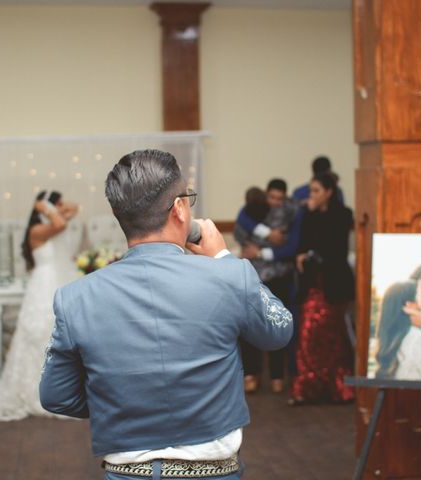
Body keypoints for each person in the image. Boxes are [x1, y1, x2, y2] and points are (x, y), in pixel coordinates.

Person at [39, 149, 293, 480]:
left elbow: (56, 396)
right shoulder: (228, 276)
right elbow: (279, 330)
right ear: (179, 209)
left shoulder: (75, 298)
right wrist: (225, 259)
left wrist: (118, 402)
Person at [0, 190, 79, 421]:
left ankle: (62, 388)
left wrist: (53, 206)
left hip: (60, 283)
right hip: (43, 286)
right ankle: (36, 390)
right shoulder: (37, 230)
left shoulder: (53, 221)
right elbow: (61, 224)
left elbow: (75, 208)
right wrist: (44, 207)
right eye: (57, 205)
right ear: (46, 209)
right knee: (39, 335)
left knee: (61, 337)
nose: (63, 207)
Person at [291, 172, 355, 405]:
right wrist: (306, 255)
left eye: (316, 190)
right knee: (308, 334)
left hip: (334, 285)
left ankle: (338, 387)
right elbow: (301, 246)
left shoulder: (343, 214)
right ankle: (308, 388)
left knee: (334, 338)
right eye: (311, 191)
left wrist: (309, 256)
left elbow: (335, 250)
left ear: (329, 192)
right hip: (313, 285)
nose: (312, 195)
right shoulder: (308, 215)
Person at [234, 180, 297, 393]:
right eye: (272, 197)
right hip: (253, 276)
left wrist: (261, 250)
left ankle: (278, 375)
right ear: (266, 195)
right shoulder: (254, 209)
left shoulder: (292, 212)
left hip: (280, 276)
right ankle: (252, 373)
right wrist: (268, 235)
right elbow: (241, 226)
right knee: (250, 327)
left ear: (286, 197)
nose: (276, 202)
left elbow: (291, 245)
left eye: (280, 198)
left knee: (278, 324)